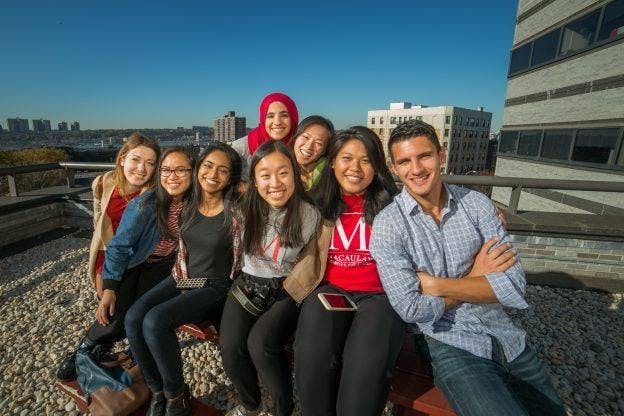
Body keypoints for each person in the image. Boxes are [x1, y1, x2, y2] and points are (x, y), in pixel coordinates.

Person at [370, 120, 565, 416]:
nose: (416, 169)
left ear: (441, 155)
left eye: (424, 156)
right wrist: (477, 277)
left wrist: (437, 285)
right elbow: (411, 309)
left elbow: (513, 285)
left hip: (505, 335)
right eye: (405, 161)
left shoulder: (477, 205)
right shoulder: (389, 225)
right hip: (448, 342)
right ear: (394, 168)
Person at [294, 126, 406, 416]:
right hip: (331, 290)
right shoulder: (315, 204)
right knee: (311, 358)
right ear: (332, 162)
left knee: (364, 368)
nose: (355, 168)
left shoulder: (395, 205)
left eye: (366, 160)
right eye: (346, 158)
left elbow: (433, 203)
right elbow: (270, 205)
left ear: (376, 167)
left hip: (379, 295)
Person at [219, 140, 320, 416]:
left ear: (295, 175)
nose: (275, 183)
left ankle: (282, 408)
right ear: (254, 180)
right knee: (230, 348)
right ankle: (251, 403)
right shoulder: (243, 207)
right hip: (247, 283)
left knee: (260, 344)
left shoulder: (308, 213)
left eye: (283, 173)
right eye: (265, 175)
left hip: (285, 288)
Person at [56, 133, 160, 381]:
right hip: (108, 254)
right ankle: (88, 347)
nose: (141, 168)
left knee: (128, 307)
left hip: (139, 260)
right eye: (136, 159)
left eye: (150, 163)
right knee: (108, 306)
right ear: (122, 158)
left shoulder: (154, 194)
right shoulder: (104, 182)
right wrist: (99, 229)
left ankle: (108, 343)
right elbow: (99, 209)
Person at [232, 92, 299, 180]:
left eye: (284, 115)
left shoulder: (300, 146)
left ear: (293, 118)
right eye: (270, 116)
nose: (277, 122)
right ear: (263, 119)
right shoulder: (241, 149)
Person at [290, 115, 334, 191]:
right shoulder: (281, 165)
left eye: (318, 143)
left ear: (324, 150)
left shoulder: (330, 175)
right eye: (306, 137)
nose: (309, 146)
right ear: (296, 137)